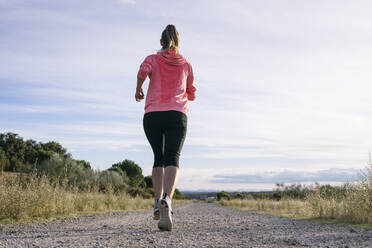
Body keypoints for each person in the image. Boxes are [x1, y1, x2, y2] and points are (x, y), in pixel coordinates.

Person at [135, 24, 196, 231]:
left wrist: (138, 89)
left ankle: (156, 201)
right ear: (178, 44)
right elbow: (191, 91)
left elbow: (142, 72)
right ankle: (167, 201)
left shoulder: (152, 59)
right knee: (173, 158)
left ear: (161, 42)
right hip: (177, 115)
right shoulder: (186, 64)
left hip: (153, 115)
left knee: (158, 158)